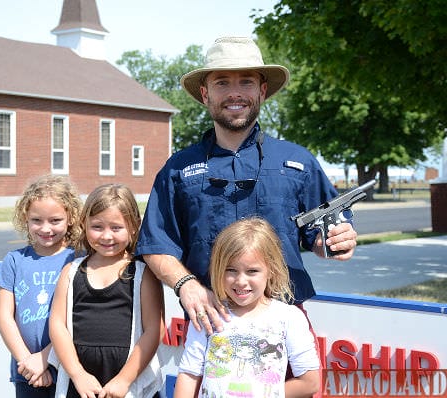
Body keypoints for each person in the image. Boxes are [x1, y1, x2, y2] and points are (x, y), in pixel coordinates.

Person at [135, 36, 358, 335]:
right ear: (205, 94)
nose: (235, 93)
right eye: (222, 83)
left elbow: (320, 238)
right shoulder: (178, 168)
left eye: (246, 82)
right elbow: (155, 245)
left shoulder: (298, 161)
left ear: (262, 90)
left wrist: (335, 241)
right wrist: (185, 284)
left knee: (298, 385)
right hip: (210, 323)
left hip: (285, 321)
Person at [173, 218, 320, 398]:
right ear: (218, 268)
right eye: (231, 270)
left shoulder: (289, 317)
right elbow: (188, 375)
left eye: (252, 271)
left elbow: (310, 382)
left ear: (271, 270)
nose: (241, 281)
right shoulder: (209, 315)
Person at [48, 183, 165, 398]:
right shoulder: (71, 272)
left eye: (116, 227)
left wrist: (124, 380)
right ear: (84, 224)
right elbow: (57, 325)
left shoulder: (142, 274)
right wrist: (77, 374)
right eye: (97, 227)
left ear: (133, 226)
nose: (106, 236)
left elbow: (154, 330)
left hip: (129, 384)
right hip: (80, 385)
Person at [0, 174, 83, 398]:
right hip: (27, 372)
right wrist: (27, 361)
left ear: (70, 217)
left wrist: (45, 358)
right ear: (26, 218)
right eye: (37, 220)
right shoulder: (14, 261)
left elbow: (80, 319)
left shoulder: (80, 260)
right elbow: (5, 318)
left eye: (55, 220)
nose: (46, 228)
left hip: (69, 367)